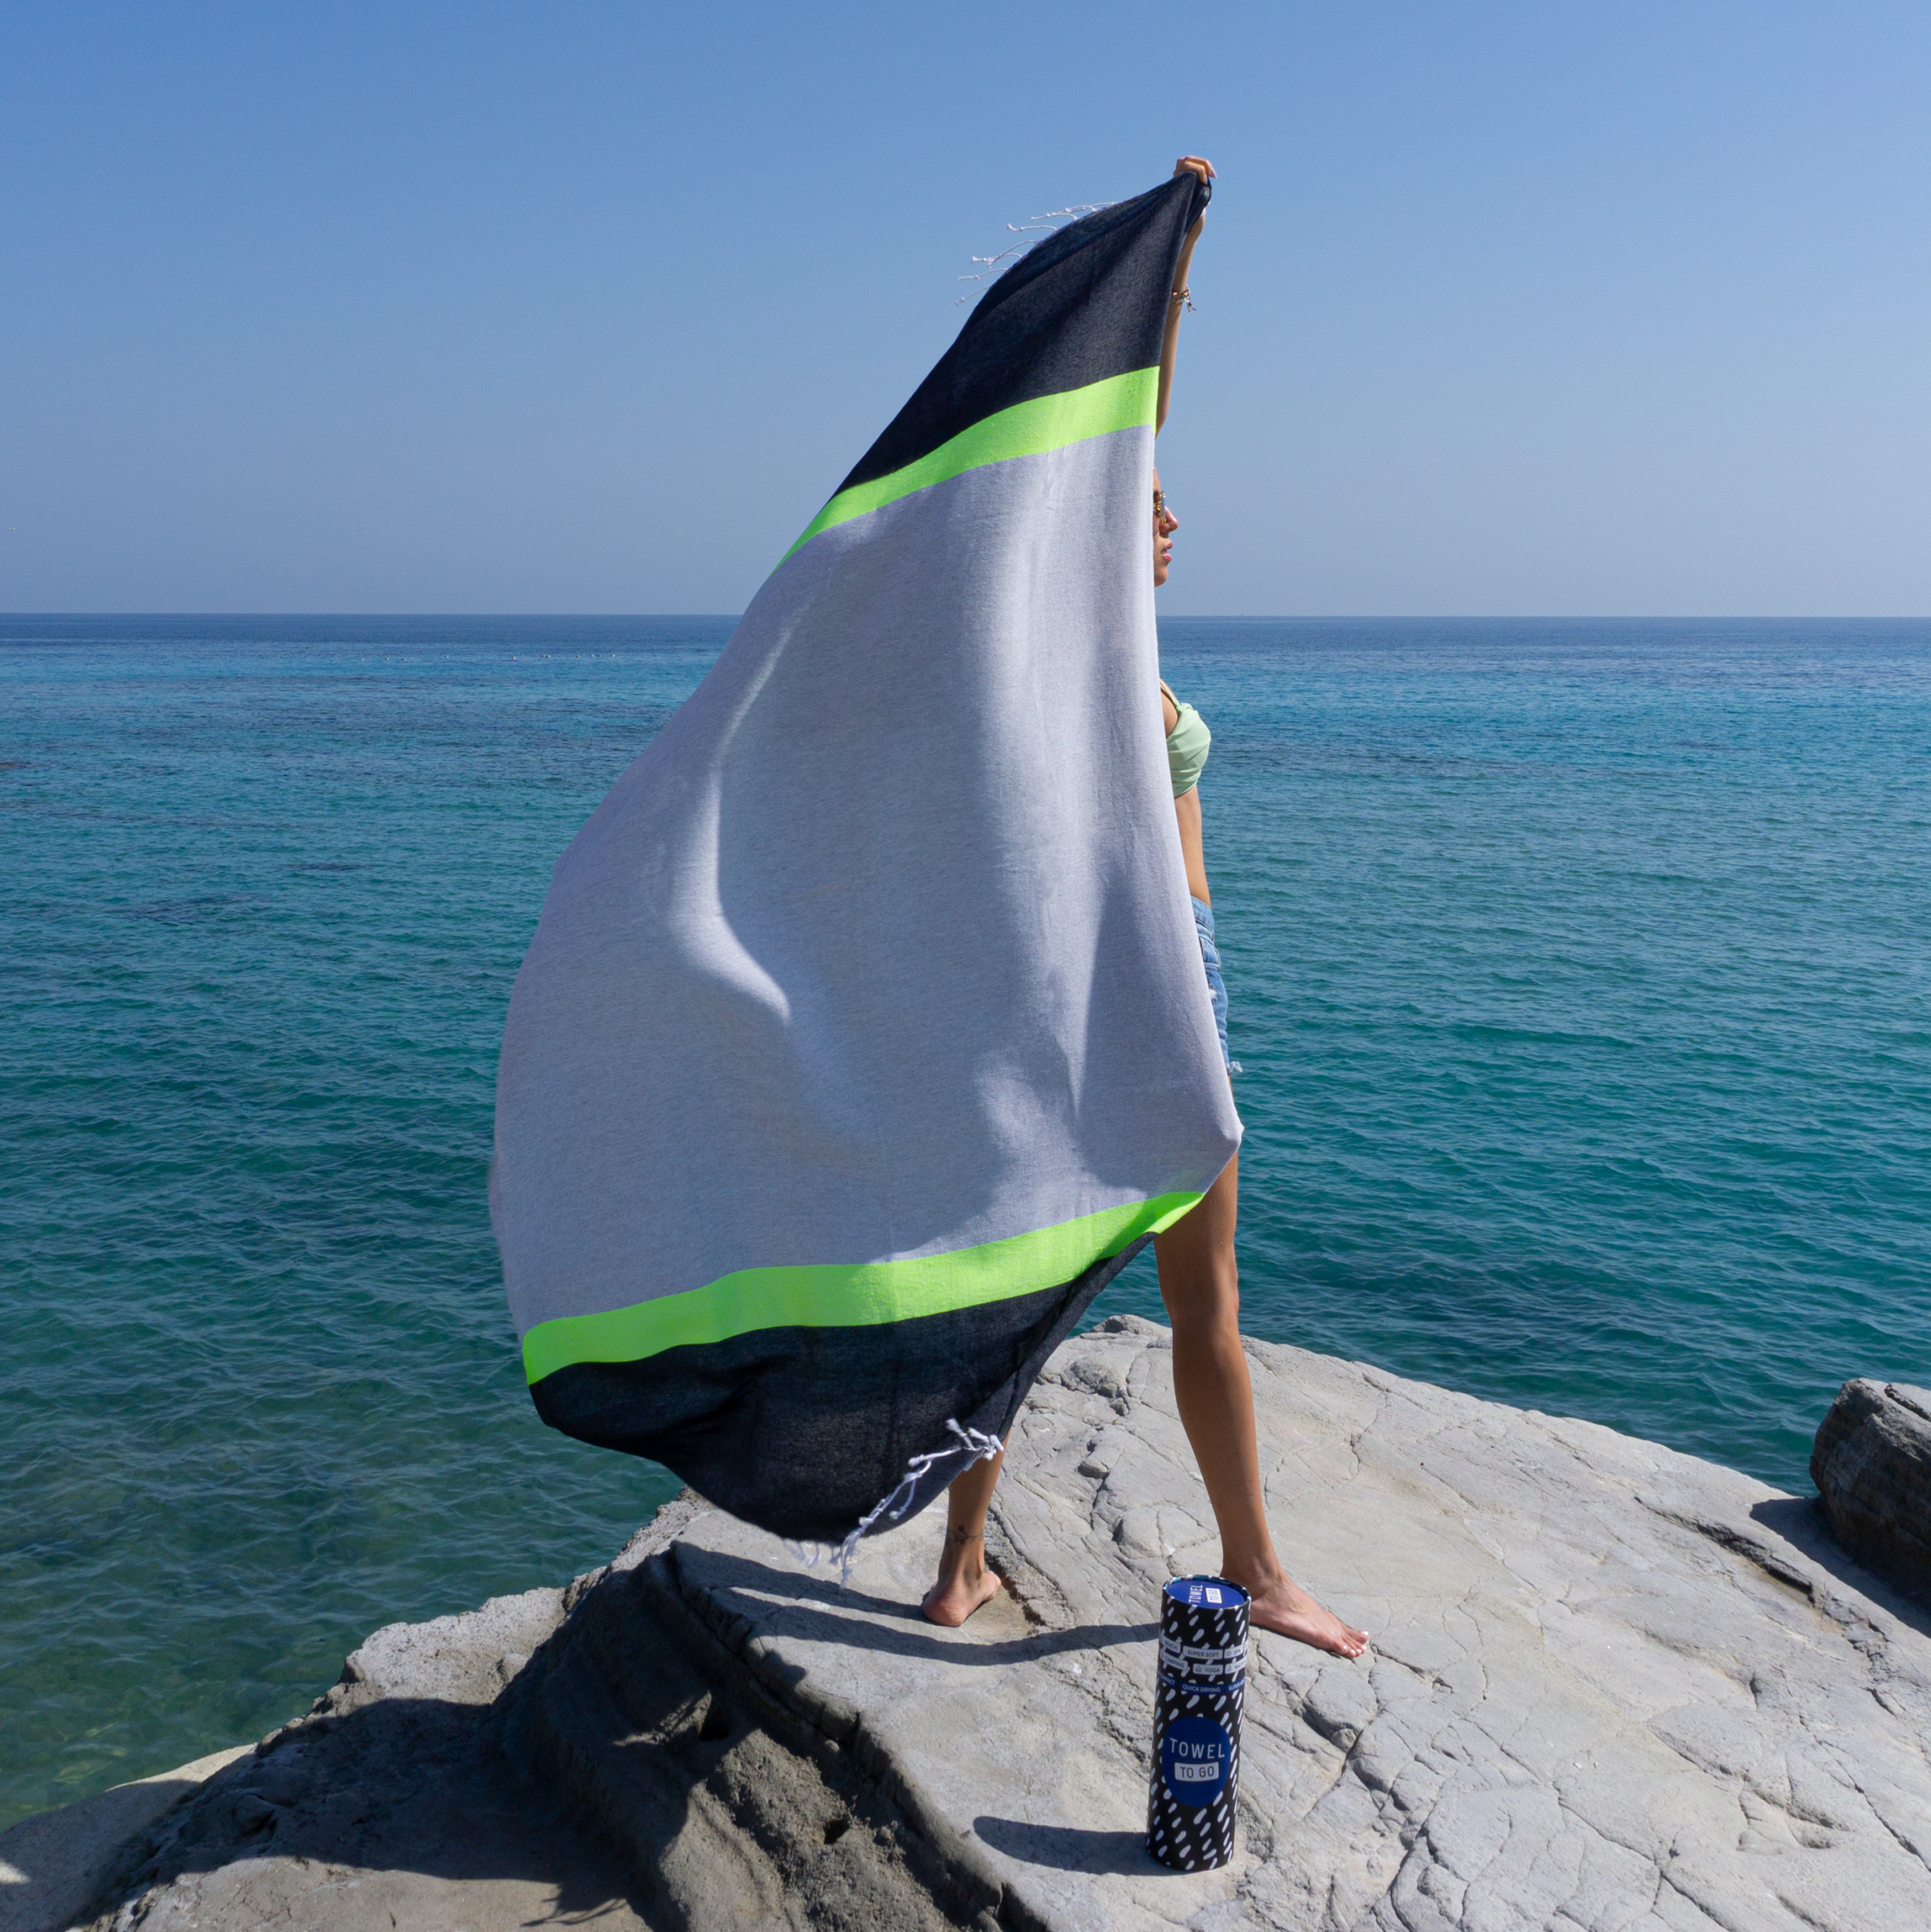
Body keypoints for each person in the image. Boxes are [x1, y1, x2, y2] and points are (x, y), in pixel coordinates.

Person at [920, 157, 1370, 1662]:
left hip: (1131, 974)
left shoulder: (1108, 652)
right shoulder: (1087, 635)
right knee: (1172, 1296)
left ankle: (970, 1562)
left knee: (1053, 1289)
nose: (1172, 519)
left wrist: (1179, 264)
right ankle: (1238, 1565)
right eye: (1151, 507)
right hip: (1150, 972)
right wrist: (1172, 266)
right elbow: (1129, 434)